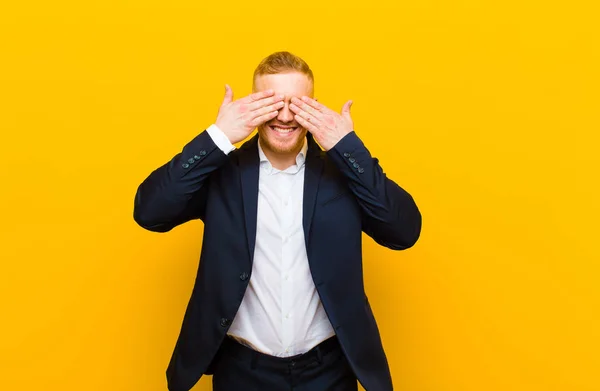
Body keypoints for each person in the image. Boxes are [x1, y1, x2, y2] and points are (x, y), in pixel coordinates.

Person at [133, 51, 422, 391]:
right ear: (252, 105)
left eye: (297, 105)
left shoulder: (342, 171)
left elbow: (404, 231)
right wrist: (217, 137)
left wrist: (348, 148)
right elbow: (149, 212)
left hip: (328, 370)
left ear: (314, 107)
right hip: (242, 371)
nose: (285, 116)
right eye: (271, 104)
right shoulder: (222, 173)